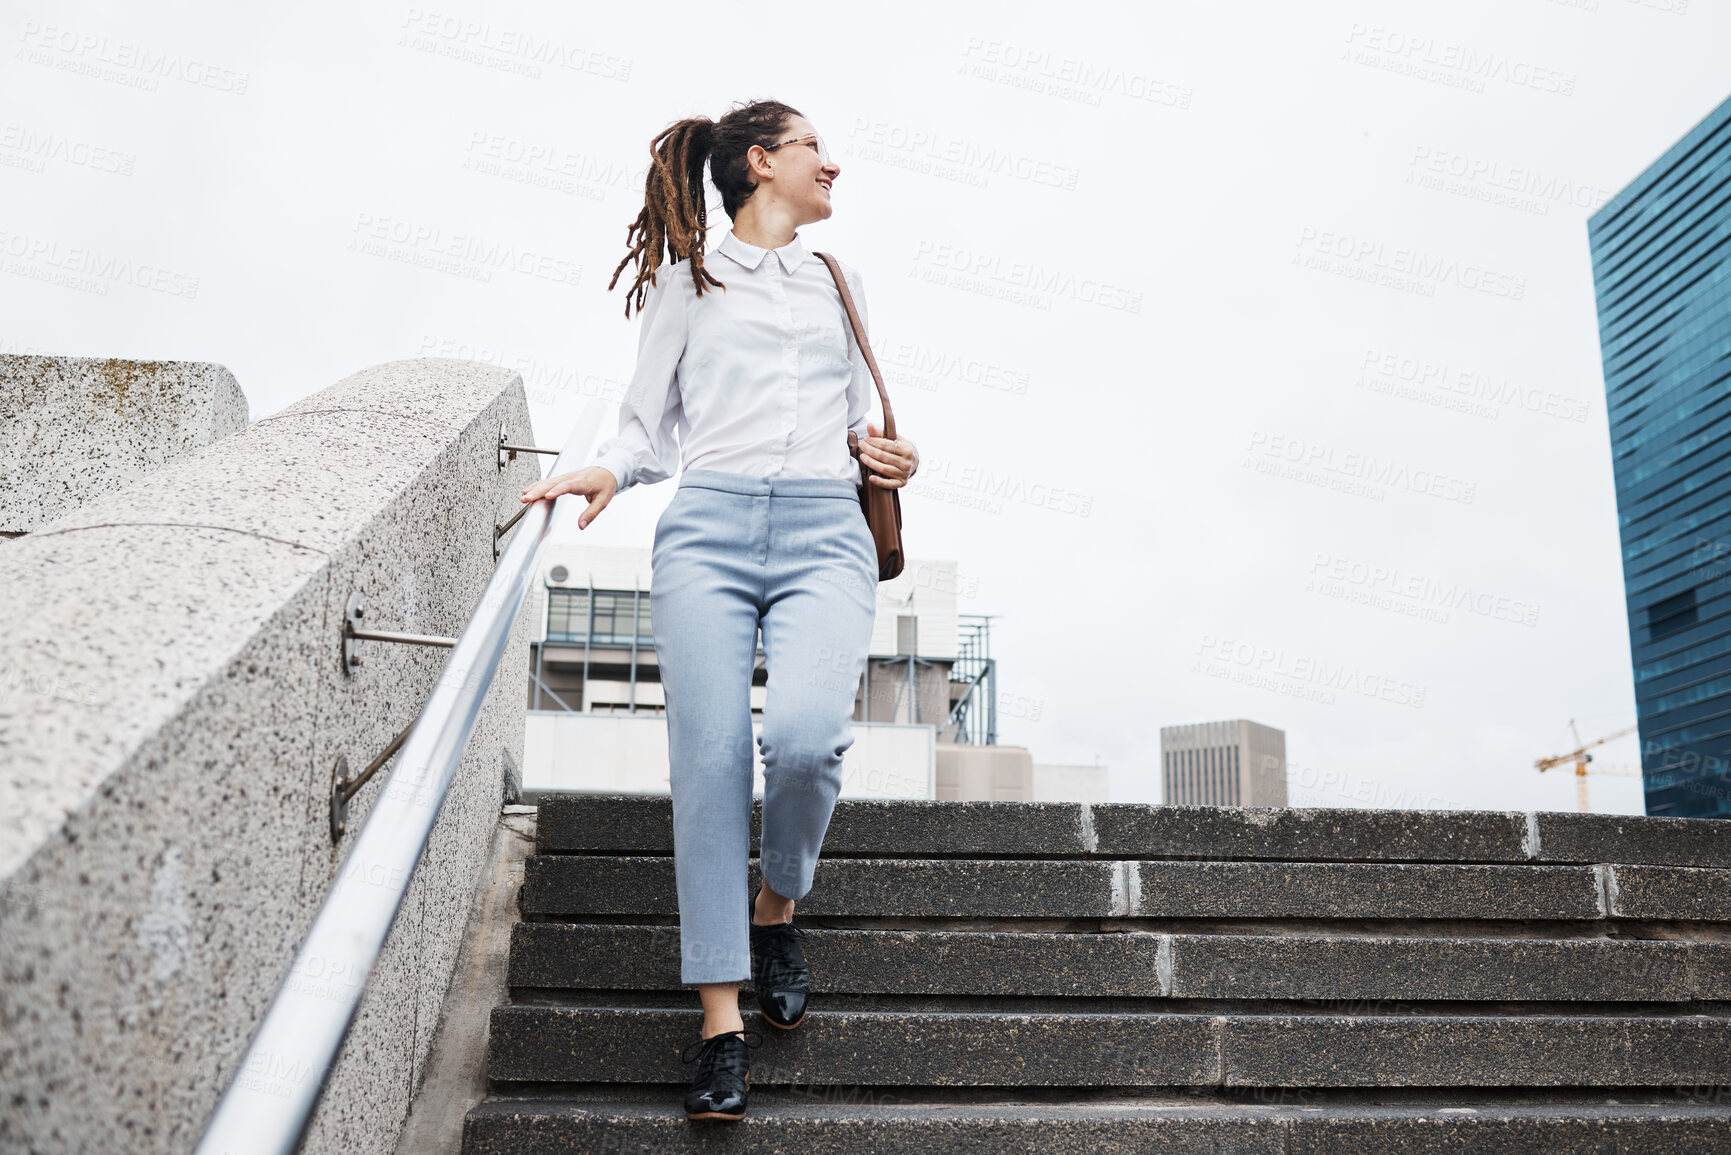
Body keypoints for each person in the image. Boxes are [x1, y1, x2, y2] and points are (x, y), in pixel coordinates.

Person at [518, 99, 918, 1122]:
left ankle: (777, 902)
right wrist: (607, 467)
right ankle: (720, 1018)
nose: (833, 162)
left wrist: (890, 457)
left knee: (806, 740)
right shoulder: (689, 287)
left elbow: (854, 426)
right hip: (710, 530)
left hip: (827, 529)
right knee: (705, 761)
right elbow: (648, 423)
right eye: (814, 147)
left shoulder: (840, 282)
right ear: (760, 162)